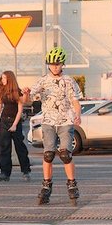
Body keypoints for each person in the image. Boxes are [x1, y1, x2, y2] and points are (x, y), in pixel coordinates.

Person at [24, 47, 82, 205]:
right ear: (48, 64)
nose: (55, 66)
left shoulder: (69, 81)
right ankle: (46, 185)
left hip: (65, 121)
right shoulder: (42, 80)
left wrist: (78, 114)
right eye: (52, 64)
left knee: (65, 154)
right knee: (48, 154)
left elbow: (75, 102)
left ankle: (72, 184)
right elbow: (29, 100)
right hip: (48, 121)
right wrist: (26, 93)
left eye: (58, 64)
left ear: (62, 64)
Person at [0, 70, 32, 182]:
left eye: (4, 78)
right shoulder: (1, 91)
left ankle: (25, 171)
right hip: (3, 121)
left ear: (10, 79)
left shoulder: (17, 92)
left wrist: (14, 125)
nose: (2, 80)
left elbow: (20, 110)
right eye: (2, 78)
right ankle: (4, 173)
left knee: (20, 147)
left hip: (15, 121)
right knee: (3, 147)